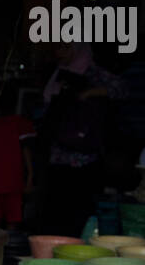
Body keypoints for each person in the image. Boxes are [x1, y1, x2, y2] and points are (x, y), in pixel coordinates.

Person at [35, 44, 126, 237]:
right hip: (58, 153)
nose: (59, 53)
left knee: (77, 210)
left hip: (84, 156)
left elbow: (121, 89)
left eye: (64, 48)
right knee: (55, 209)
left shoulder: (91, 72)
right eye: (57, 49)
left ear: (77, 49)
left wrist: (88, 94)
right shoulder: (58, 74)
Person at [0, 85, 36, 227]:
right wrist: (30, 177)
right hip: (11, 182)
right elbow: (27, 151)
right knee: (11, 221)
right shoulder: (20, 124)